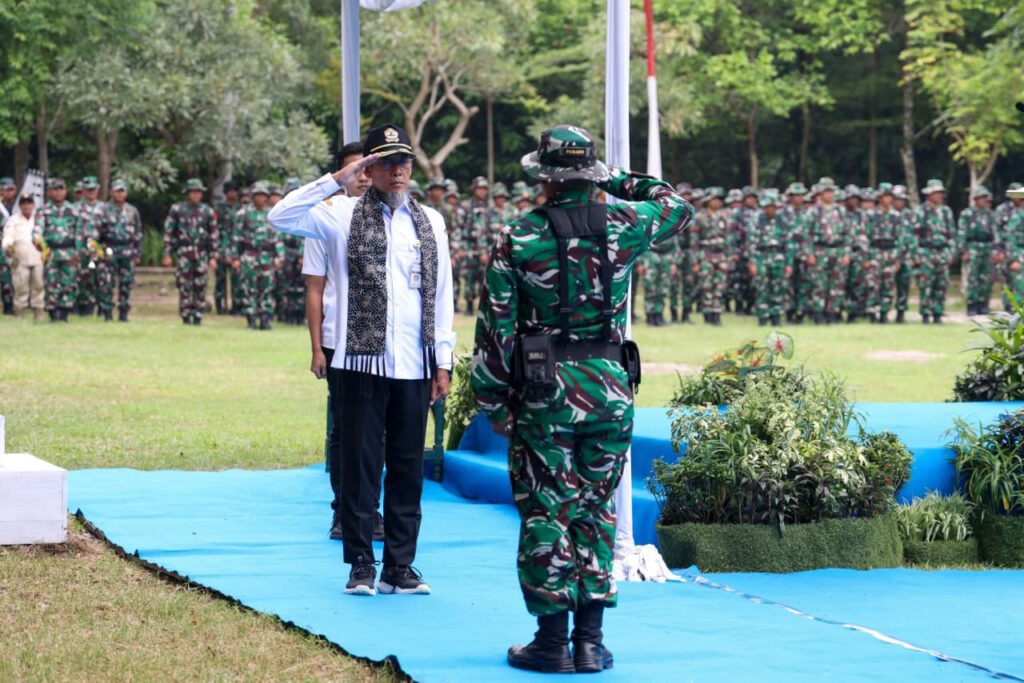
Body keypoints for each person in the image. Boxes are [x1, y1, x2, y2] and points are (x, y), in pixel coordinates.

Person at [471, 124, 693, 674]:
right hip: (610, 390)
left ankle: (551, 643)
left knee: (548, 512)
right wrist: (613, 178)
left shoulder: (519, 236)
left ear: (544, 178)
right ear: (592, 175)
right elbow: (677, 205)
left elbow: (496, 331)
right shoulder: (625, 223)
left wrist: (494, 403)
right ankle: (590, 642)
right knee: (595, 510)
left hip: (545, 394)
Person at [269, 123, 455, 597]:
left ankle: (400, 566)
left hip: (414, 362)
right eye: (386, 162)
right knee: (359, 465)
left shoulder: (430, 221)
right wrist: (337, 179)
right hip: (359, 364)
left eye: (403, 161)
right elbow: (280, 215)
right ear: (369, 168)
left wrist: (444, 360)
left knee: (408, 467)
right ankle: (360, 564)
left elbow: (442, 296)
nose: (397, 171)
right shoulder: (339, 215)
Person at [303, 141, 386, 543]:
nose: (363, 177)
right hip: (338, 340)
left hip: (382, 340)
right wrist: (317, 347)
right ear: (341, 177)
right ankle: (344, 510)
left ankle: (372, 509)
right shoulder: (326, 217)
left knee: (378, 430)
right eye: (354, 170)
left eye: (369, 169)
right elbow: (315, 289)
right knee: (344, 430)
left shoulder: (395, 215)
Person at [162, 178, 219, 325]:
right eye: (193, 192)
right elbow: (169, 232)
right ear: (188, 193)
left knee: (201, 285)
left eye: (198, 192)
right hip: (184, 253)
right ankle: (186, 315)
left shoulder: (207, 211)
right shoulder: (177, 209)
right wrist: (167, 253)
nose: (196, 195)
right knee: (184, 285)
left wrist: (213, 256)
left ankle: (198, 315)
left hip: (201, 254)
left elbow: (214, 235)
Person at [232, 182, 282, 330]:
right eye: (257, 195)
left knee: (267, 288)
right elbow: (236, 236)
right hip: (249, 255)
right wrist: (235, 258)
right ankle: (251, 319)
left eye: (263, 195)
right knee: (249, 287)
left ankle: (265, 319)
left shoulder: (272, 214)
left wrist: (279, 257)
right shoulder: (243, 213)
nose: (260, 198)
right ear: (252, 197)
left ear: (267, 197)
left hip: (267, 256)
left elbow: (277, 237)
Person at [96, 179, 143, 322]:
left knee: (126, 282)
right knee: (107, 283)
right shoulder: (103, 209)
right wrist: (97, 250)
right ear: (111, 192)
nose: (119, 194)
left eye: (122, 191)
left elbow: (138, 232)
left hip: (127, 250)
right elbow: (95, 231)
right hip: (109, 249)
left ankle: (123, 313)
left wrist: (138, 252)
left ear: (126, 193)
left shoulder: (132, 210)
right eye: (117, 191)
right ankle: (107, 313)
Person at [807, 177, 850, 324]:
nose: (829, 194)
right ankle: (818, 313)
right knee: (819, 284)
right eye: (826, 191)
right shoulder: (813, 211)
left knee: (837, 284)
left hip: (837, 250)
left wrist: (846, 253)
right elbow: (807, 234)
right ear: (820, 193)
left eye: (831, 191)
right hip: (820, 250)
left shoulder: (841, 211)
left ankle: (833, 312)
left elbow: (847, 234)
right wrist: (810, 253)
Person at [747, 191, 792, 326]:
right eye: (768, 207)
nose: (771, 209)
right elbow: (751, 243)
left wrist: (789, 263)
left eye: (773, 207)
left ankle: (776, 316)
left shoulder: (783, 221)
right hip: (762, 256)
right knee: (762, 287)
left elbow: (789, 243)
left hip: (778, 257)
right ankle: (762, 316)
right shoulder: (756, 221)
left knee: (778, 287)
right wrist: (752, 262)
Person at [36, 178, 78, 322]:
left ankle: (65, 315)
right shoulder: (43, 210)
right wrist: (38, 242)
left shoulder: (73, 210)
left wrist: (79, 250)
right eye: (55, 189)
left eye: (61, 189)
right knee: (50, 283)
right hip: (51, 252)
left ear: (65, 191)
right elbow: (37, 230)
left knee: (68, 283)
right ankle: (53, 314)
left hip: (69, 251)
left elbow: (79, 232)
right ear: (50, 192)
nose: (58, 192)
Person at [914, 178, 955, 323]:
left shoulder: (946, 212)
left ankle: (938, 313)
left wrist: (951, 252)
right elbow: (914, 235)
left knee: (941, 284)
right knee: (926, 284)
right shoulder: (920, 211)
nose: (940, 196)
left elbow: (951, 234)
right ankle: (925, 313)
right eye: (936, 193)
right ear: (929, 194)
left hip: (942, 252)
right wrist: (916, 254)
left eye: (941, 193)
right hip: (926, 252)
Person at [2, 193, 45, 321]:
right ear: (20, 206)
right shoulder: (13, 220)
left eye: (29, 203)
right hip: (20, 257)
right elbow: (8, 236)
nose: (27, 206)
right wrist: (8, 246)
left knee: (39, 285)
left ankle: (39, 313)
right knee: (21, 287)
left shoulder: (40, 219)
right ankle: (19, 314)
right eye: (24, 204)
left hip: (38, 257)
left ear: (33, 205)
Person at [957, 186, 999, 315]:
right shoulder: (967, 214)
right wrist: (963, 250)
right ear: (976, 199)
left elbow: (996, 233)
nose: (984, 200)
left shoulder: (990, 214)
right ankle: (972, 305)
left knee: (986, 277)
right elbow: (962, 233)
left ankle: (983, 304)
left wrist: (996, 250)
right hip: (972, 247)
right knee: (972, 277)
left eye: (985, 198)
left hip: (987, 247)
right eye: (981, 198)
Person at [692, 186, 729, 325]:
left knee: (719, 285)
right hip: (705, 254)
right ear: (708, 201)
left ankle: (717, 313)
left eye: (720, 199)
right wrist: (695, 261)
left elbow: (727, 239)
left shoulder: (723, 217)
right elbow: (694, 242)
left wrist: (728, 258)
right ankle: (707, 314)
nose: (718, 202)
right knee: (706, 285)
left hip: (720, 255)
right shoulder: (699, 217)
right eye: (715, 199)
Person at [74, 176, 104, 317]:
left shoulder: (104, 208)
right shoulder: (75, 208)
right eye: (88, 189)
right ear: (83, 190)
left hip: (99, 250)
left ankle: (102, 308)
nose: (91, 192)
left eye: (93, 189)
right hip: (81, 250)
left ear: (98, 189)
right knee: (82, 279)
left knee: (101, 279)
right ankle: (83, 307)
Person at [214, 180, 242, 315]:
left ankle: (236, 306)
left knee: (236, 280)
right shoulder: (219, 209)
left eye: (234, 191)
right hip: (220, 249)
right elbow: (214, 231)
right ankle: (219, 306)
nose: (232, 194)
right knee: (220, 280)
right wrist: (220, 251)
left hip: (236, 250)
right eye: (230, 191)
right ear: (225, 193)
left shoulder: (240, 210)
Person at [0, 177, 16, 315]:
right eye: (7, 190)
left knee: (8, 278)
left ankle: (9, 307)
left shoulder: (16, 207)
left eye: (12, 189)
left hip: (9, 248)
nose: (10, 193)